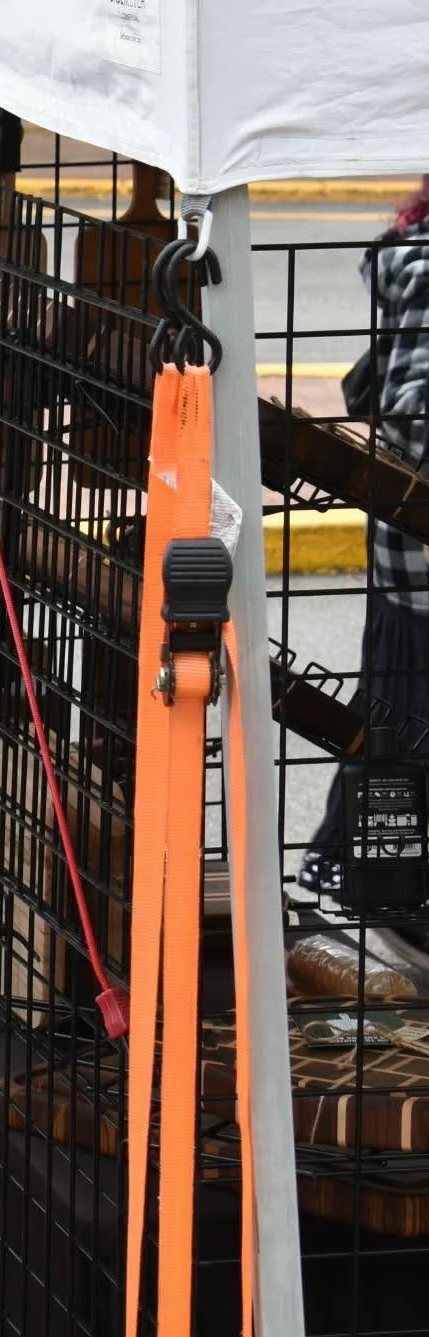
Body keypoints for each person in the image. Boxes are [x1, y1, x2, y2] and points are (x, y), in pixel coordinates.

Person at [300, 179, 429, 900]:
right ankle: (378, 882)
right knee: (402, 727)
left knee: (396, 721)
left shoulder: (414, 258)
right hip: (419, 553)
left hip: (403, 551)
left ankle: (369, 875)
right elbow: (414, 413)